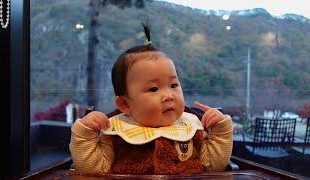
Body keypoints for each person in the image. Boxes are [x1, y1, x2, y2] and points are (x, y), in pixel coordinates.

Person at [69, 22, 233, 175]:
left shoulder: (192, 129)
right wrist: (84, 134)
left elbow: (213, 166)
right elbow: (92, 170)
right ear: (125, 104)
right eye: (154, 89)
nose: (169, 95)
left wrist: (221, 131)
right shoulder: (114, 134)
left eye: (174, 85)